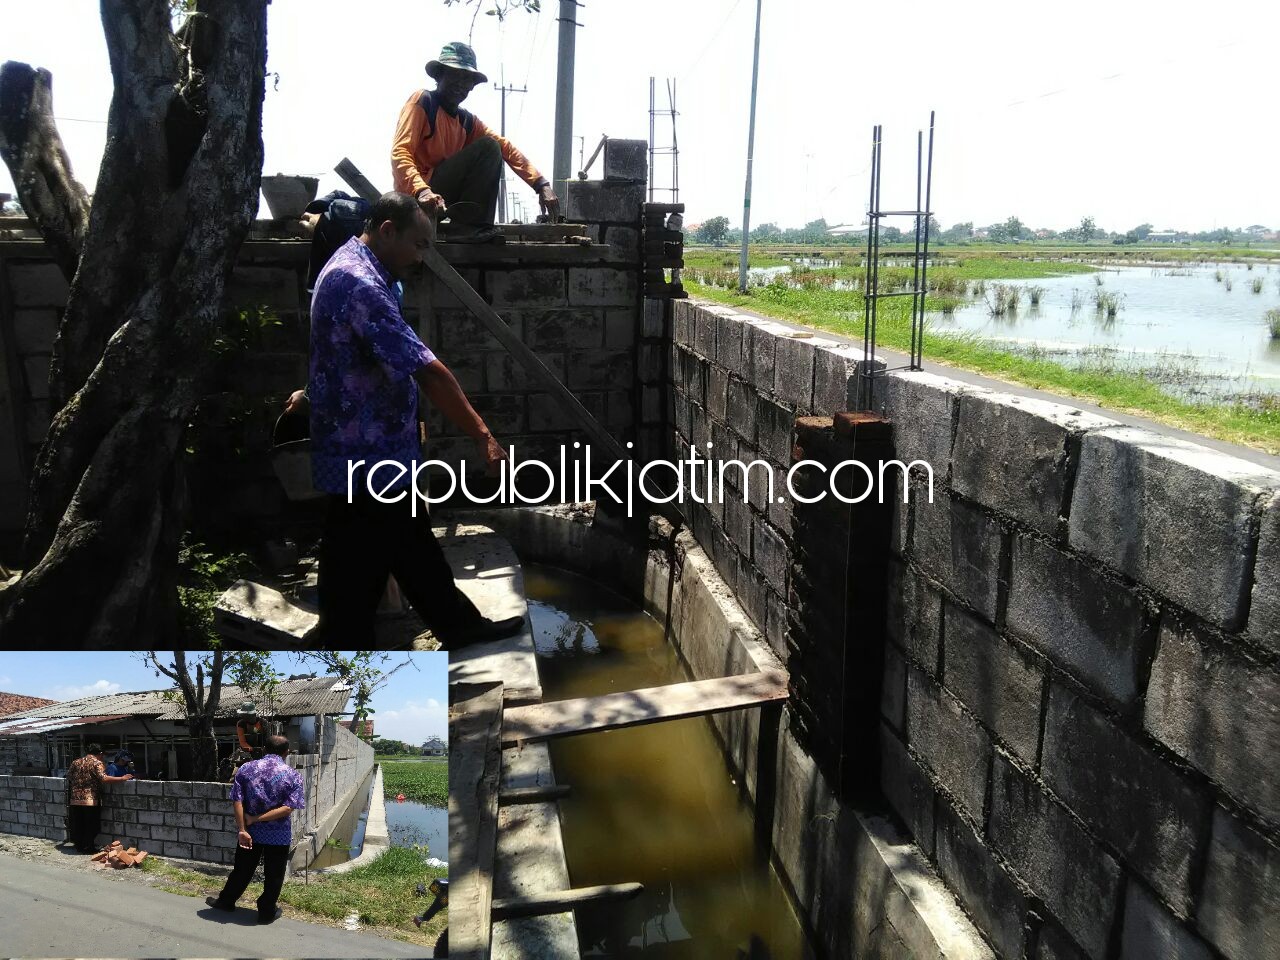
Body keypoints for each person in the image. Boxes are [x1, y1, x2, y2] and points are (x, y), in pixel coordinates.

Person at [287, 192, 524, 646]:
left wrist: (310, 395)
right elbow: (427, 370)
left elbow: (339, 360)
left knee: (399, 545)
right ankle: (350, 646)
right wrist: (482, 435)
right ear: (387, 231)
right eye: (419, 244)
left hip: (371, 445)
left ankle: (453, 626)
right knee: (365, 560)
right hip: (366, 452)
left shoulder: (359, 264)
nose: (422, 256)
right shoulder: (360, 284)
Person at [391, 41, 559, 240]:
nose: (461, 85)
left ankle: (471, 226)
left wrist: (541, 184)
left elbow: (506, 147)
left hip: (442, 199)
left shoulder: (466, 121)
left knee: (493, 146)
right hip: (416, 196)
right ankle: (468, 227)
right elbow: (399, 153)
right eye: (455, 76)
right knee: (488, 147)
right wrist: (422, 190)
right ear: (439, 75)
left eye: (467, 79)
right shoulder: (423, 102)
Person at [206, 735, 305, 925]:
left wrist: (243, 828)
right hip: (278, 835)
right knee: (274, 874)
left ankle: (226, 901)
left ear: (264, 749)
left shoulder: (246, 769)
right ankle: (266, 912)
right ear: (286, 752)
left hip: (250, 832)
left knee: (242, 869)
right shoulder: (292, 775)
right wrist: (258, 818)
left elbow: (237, 800)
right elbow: (288, 808)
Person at [66, 743, 134, 853]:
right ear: (100, 754)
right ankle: (88, 847)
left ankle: (79, 846)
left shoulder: (76, 762)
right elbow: (104, 778)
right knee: (91, 824)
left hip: (75, 798)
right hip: (90, 799)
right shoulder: (97, 763)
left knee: (78, 823)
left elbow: (69, 776)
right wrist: (122, 778)